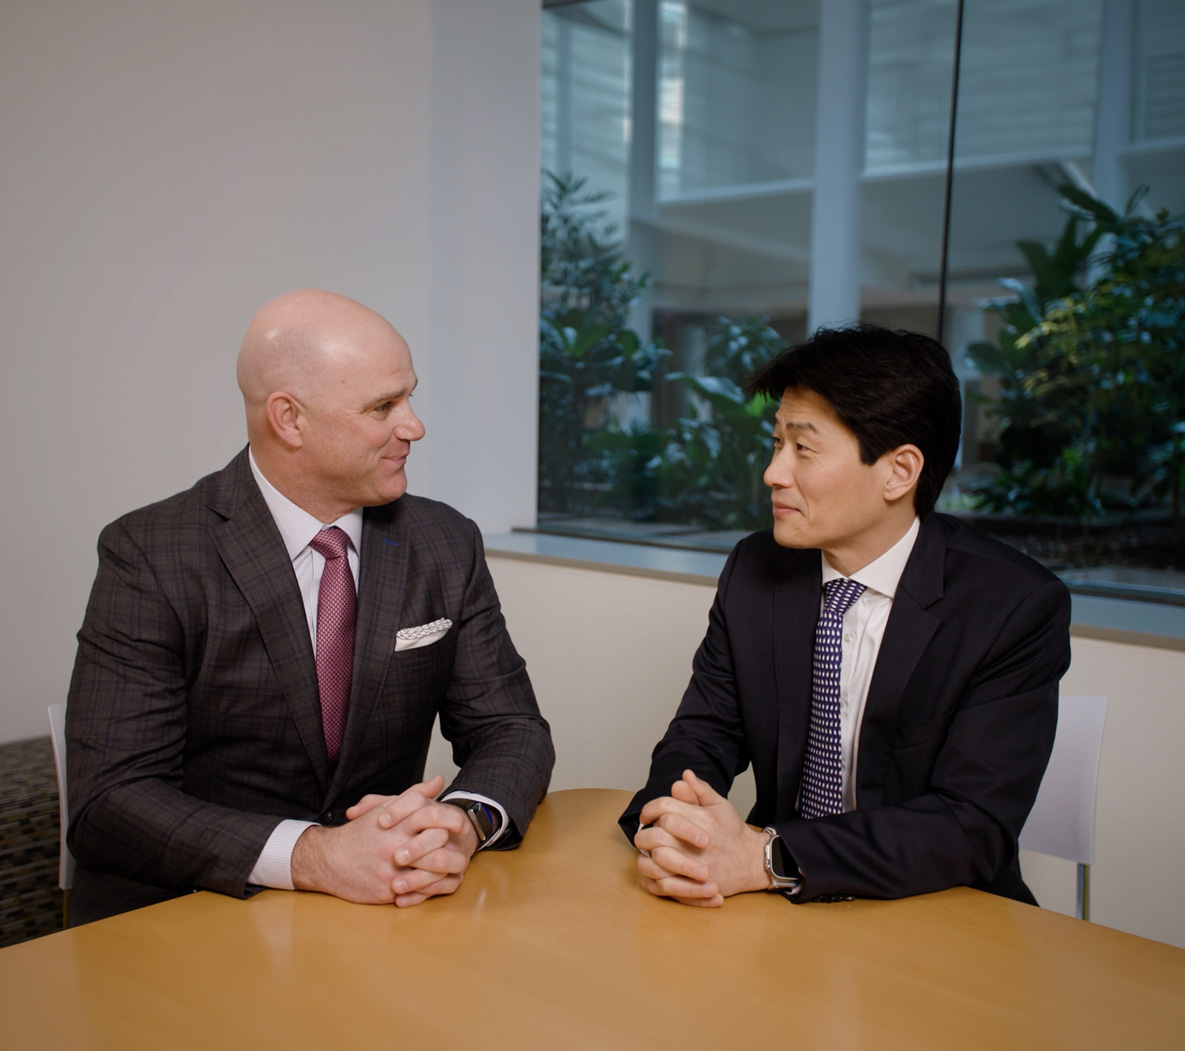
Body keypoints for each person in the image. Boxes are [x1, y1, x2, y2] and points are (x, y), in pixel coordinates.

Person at [66, 289, 553, 924]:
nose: (414, 426)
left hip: (376, 919)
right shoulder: (151, 553)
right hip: (189, 916)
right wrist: (314, 856)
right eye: (383, 406)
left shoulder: (444, 541)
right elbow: (109, 801)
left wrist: (463, 822)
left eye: (410, 397)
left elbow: (511, 729)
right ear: (289, 419)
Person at [619, 324, 1070, 907]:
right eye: (776, 443)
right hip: (777, 909)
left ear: (899, 471)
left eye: (803, 449)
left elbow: (970, 825)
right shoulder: (757, 569)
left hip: (938, 913)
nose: (773, 473)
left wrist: (765, 857)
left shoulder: (1012, 606)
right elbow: (702, 736)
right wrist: (676, 825)